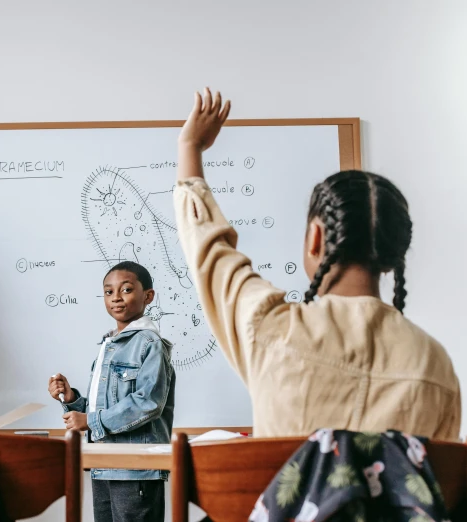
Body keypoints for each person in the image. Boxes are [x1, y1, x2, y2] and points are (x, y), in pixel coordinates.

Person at [173, 88, 460, 440]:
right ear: (394, 254)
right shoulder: (435, 364)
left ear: (316, 238)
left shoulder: (269, 328)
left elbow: (209, 250)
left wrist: (190, 148)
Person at [49, 261, 175, 522]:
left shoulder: (150, 344)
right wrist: (72, 400)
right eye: (108, 292)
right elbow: (105, 407)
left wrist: (91, 421)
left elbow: (148, 403)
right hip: (104, 465)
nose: (116, 298)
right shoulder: (108, 346)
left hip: (136, 470)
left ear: (148, 296)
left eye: (126, 289)